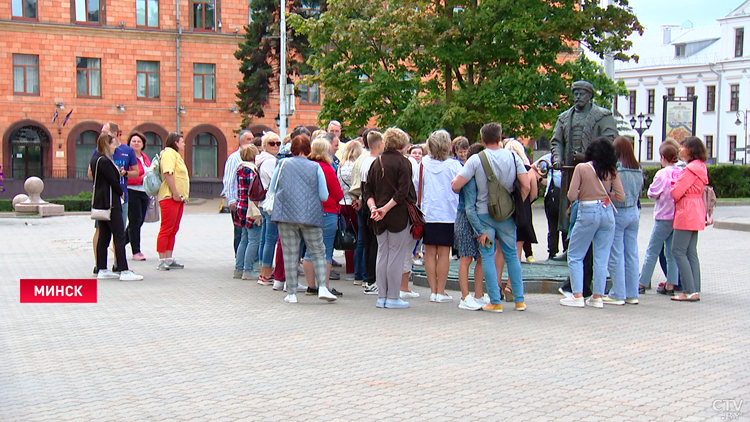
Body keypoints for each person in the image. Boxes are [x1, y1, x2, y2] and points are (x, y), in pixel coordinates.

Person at [451, 122, 530, 313]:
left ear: (483, 139)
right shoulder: (513, 157)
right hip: (507, 215)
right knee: (511, 254)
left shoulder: (476, 160)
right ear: (500, 137)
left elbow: (456, 185)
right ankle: (519, 300)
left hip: (484, 215)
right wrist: (515, 204)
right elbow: (526, 185)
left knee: (487, 255)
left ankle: (495, 301)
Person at [268, 134, 336, 303]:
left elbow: (272, 189)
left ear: (292, 149)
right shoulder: (316, 167)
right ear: (308, 149)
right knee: (318, 251)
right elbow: (323, 195)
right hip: (310, 215)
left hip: (286, 215)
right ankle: (322, 288)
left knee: (290, 253)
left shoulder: (282, 164)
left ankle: (291, 293)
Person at [560, 137, 625, 308]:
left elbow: (571, 195)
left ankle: (577, 295)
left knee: (575, 255)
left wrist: (584, 193)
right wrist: (606, 196)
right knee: (602, 257)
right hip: (607, 212)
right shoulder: (611, 170)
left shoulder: (582, 168)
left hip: (588, 211)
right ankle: (597, 296)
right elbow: (621, 196)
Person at [550, 80, 618, 233]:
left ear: (590, 95)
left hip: (594, 172)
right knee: (568, 205)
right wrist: (558, 158)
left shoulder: (602, 116)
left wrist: (588, 157)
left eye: (582, 94)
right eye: (575, 93)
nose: (578, 96)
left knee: (588, 205)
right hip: (570, 170)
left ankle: (588, 247)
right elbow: (556, 141)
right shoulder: (564, 117)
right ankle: (569, 243)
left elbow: (609, 141)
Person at [364, 128, 417, 309]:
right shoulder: (404, 163)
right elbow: (403, 192)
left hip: (377, 214)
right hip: (397, 214)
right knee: (396, 254)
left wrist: (374, 208)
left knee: (382, 253)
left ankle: (381, 296)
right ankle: (393, 297)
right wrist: (385, 209)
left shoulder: (375, 162)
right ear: (402, 144)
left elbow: (367, 191)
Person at [91, 133, 143, 281]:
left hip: (102, 202)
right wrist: (121, 193)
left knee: (105, 235)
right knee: (119, 235)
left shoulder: (96, 159)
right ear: (108, 145)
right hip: (111, 202)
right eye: (114, 144)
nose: (116, 147)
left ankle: (102, 268)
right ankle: (124, 270)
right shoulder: (104, 161)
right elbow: (113, 181)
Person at [421, 130, 463, 303]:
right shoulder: (455, 166)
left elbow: (418, 185)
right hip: (448, 213)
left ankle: (432, 290)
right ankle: (441, 291)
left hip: (428, 212)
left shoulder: (423, 164)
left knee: (429, 253)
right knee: (444, 253)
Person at [302, 138, 344, 295]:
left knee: (309, 250)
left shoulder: (306, 167)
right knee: (325, 250)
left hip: (308, 212)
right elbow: (338, 193)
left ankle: (311, 285)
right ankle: (324, 286)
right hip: (327, 212)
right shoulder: (326, 168)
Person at [604, 136, 643, 305]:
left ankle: (618, 293)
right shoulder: (638, 169)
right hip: (634, 212)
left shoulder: (616, 169)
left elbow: (612, 191)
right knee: (632, 253)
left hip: (618, 212)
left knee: (616, 253)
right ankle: (632, 293)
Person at [670, 136, 709, 302]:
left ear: (690, 150)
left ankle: (689, 290)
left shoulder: (689, 169)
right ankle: (695, 289)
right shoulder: (701, 167)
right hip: (697, 208)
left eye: (682, 147)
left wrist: (675, 188)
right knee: (691, 252)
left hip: (686, 210)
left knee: (677, 250)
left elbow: (676, 192)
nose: (680, 149)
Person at [640, 142, 681, 294]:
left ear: (663, 157)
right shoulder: (680, 172)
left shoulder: (662, 174)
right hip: (676, 216)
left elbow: (652, 193)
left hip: (663, 215)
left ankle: (642, 282)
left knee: (652, 250)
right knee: (671, 252)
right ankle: (671, 284)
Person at [349, 130, 385, 295]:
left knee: (367, 242)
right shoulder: (375, 162)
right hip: (372, 205)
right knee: (373, 243)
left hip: (365, 203)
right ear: (379, 144)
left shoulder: (363, 161)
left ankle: (367, 277)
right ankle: (371, 279)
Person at [455, 143, 489, 310]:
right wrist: (479, 230)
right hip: (466, 220)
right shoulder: (470, 176)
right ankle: (465, 296)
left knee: (481, 257)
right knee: (466, 257)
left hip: (476, 220)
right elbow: (469, 207)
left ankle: (479, 294)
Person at [156, 132, 190, 271]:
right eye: (182, 141)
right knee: (166, 228)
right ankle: (162, 259)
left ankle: (168, 258)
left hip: (178, 198)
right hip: (170, 196)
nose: (184, 144)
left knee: (173, 229)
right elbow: (168, 173)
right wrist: (175, 192)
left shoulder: (176, 155)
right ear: (175, 142)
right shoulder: (169, 153)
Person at [505, 139, 539, 264]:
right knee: (520, 240)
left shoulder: (506, 168)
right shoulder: (529, 170)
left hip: (507, 206)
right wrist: (525, 201)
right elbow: (534, 193)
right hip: (523, 207)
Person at [222, 130, 254, 255]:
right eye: (248, 139)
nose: (251, 142)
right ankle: (239, 259)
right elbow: (229, 180)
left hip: (249, 202)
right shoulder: (234, 158)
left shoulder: (252, 157)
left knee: (248, 233)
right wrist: (231, 199)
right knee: (239, 232)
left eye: (252, 139)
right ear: (241, 142)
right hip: (238, 201)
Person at [233, 145, 262, 280]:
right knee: (254, 239)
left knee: (244, 238)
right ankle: (248, 269)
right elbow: (254, 191)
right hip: (250, 208)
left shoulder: (240, 169)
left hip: (241, 206)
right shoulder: (251, 170)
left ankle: (238, 268)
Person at [256, 132, 281, 286]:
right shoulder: (270, 161)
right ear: (265, 145)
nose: (276, 146)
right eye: (272, 143)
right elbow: (276, 182)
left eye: (278, 143)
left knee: (265, 238)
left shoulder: (261, 159)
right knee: (270, 239)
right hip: (270, 203)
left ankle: (263, 271)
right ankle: (265, 272)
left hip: (264, 203)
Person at [338, 139, 364, 281]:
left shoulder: (340, 166)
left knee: (348, 236)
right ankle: (357, 268)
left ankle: (349, 269)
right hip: (354, 202)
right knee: (358, 236)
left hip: (343, 202)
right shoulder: (357, 166)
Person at [533, 152, 567, 260]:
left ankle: (566, 250)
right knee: (553, 226)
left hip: (565, 194)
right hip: (553, 195)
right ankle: (552, 251)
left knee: (565, 225)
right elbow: (534, 167)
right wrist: (542, 180)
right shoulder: (549, 158)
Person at [125, 131, 151, 261]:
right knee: (135, 220)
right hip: (132, 191)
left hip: (144, 191)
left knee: (139, 221)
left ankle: (119, 242)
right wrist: (140, 178)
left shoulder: (144, 157)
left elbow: (149, 170)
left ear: (143, 144)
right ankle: (136, 251)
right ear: (129, 143)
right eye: (133, 141)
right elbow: (126, 175)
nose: (136, 143)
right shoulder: (127, 156)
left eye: (139, 141)